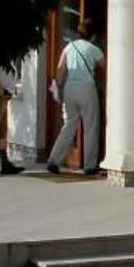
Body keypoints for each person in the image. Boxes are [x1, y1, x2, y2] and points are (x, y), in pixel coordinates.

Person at [45, 15, 105, 176]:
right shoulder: (93, 49)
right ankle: (90, 165)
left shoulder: (69, 47)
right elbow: (105, 66)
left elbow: (60, 69)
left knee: (69, 125)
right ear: (93, 35)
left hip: (70, 88)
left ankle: (54, 160)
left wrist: (58, 86)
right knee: (90, 127)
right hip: (87, 88)